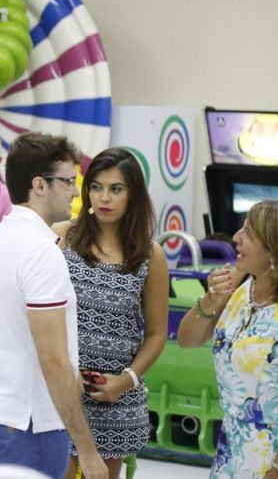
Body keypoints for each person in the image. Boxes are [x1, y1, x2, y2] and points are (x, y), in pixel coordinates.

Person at [0, 132, 106, 479]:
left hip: (1, 414)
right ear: (40, 185)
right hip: (33, 422)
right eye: (69, 181)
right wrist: (86, 450)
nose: (76, 191)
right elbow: (54, 360)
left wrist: (50, 239)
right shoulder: (40, 253)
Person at [53, 147, 169, 479]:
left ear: (133, 194)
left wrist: (126, 381)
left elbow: (157, 334)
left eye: (116, 189)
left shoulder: (150, 254)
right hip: (62, 389)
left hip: (115, 398)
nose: (105, 197)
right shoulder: (65, 237)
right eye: (97, 186)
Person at [177, 200, 278, 478]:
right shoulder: (240, 290)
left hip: (277, 452)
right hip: (232, 450)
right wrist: (210, 299)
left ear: (275, 249)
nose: (236, 238)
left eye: (249, 233)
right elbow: (187, 340)